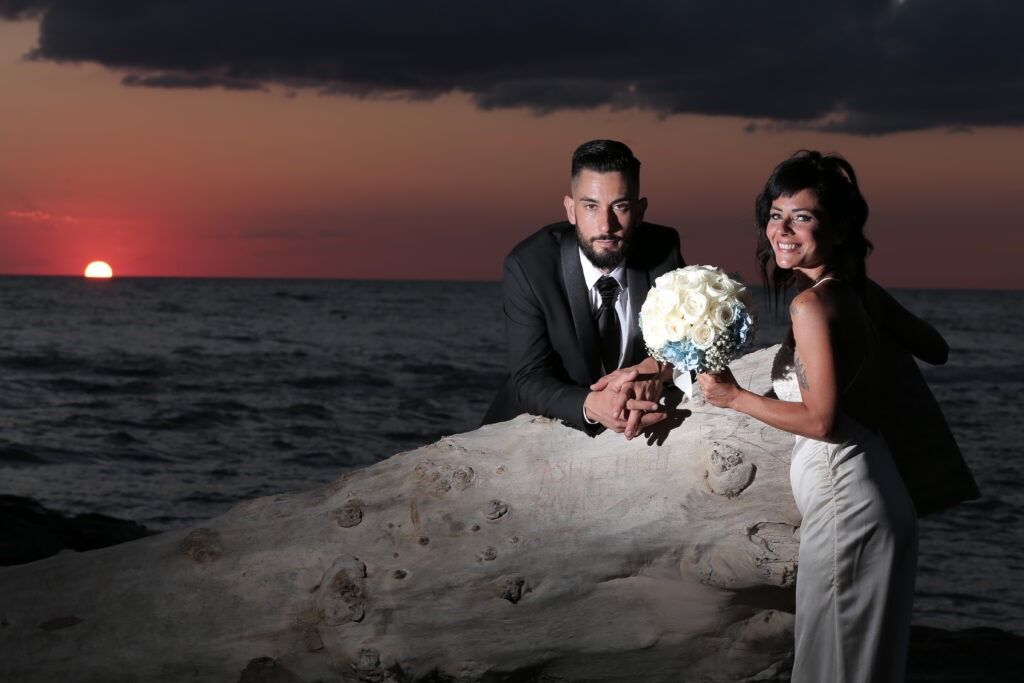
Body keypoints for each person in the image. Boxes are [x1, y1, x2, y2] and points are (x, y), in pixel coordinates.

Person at [698, 150, 947, 682]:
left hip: (845, 506)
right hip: (881, 495)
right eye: (774, 213)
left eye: (802, 217)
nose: (781, 229)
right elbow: (936, 346)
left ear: (838, 229)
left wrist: (734, 397)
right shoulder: (858, 292)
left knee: (832, 665)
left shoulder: (810, 306)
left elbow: (822, 422)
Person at [483, 139, 684, 438]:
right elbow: (527, 378)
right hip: (528, 435)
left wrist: (654, 368)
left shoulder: (663, 250)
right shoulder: (529, 266)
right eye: (591, 206)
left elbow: (688, 341)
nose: (606, 224)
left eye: (621, 206)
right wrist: (591, 406)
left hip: (634, 437)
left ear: (640, 211)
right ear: (570, 209)